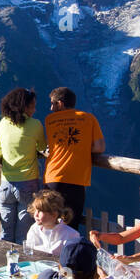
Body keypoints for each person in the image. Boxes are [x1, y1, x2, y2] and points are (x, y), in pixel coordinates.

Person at [42, 87, 104, 235]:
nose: (51, 108)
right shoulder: (89, 118)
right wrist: (81, 147)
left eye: (53, 104)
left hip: (53, 178)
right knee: (70, 227)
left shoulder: (49, 120)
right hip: (76, 180)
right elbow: (99, 147)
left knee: (48, 225)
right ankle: (68, 257)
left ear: (61, 103)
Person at [0, 87, 47, 243]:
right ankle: (21, 266)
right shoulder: (35, 125)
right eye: (32, 106)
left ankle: (4, 263)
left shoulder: (3, 123)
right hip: (28, 183)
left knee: (5, 231)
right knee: (24, 234)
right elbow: (42, 147)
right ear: (23, 106)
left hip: (6, 183)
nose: (34, 109)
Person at [22, 188, 82, 254]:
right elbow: (28, 251)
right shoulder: (34, 229)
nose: (36, 214)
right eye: (35, 210)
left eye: (40, 211)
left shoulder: (71, 235)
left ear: (54, 214)